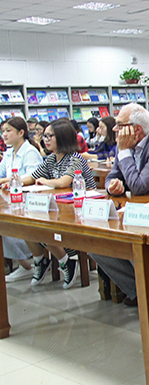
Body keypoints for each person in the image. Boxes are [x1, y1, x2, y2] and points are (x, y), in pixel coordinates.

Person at [90, 103, 149, 306]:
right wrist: (112, 187)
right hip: (136, 210)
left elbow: (140, 186)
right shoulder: (124, 144)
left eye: (119, 125)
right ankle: (141, 291)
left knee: (133, 241)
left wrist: (123, 152)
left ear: (136, 129)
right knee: (94, 244)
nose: (115, 129)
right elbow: (112, 176)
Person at [20, 118, 96, 289]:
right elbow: (31, 177)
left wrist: (45, 181)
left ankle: (66, 261)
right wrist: (11, 181)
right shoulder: (51, 159)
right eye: (44, 136)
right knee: (26, 226)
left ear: (62, 137)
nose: (45, 140)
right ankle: (41, 260)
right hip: (61, 209)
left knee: (44, 228)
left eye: (50, 136)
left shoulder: (75, 158)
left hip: (81, 210)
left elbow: (63, 182)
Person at [0, 117, 43, 282]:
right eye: (3, 131)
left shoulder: (30, 151)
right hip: (11, 199)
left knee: (6, 223)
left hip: (28, 200)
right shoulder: (9, 152)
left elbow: (32, 177)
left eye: (8, 131)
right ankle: (23, 264)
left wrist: (6, 180)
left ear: (20, 132)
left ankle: (25, 265)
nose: (4, 134)